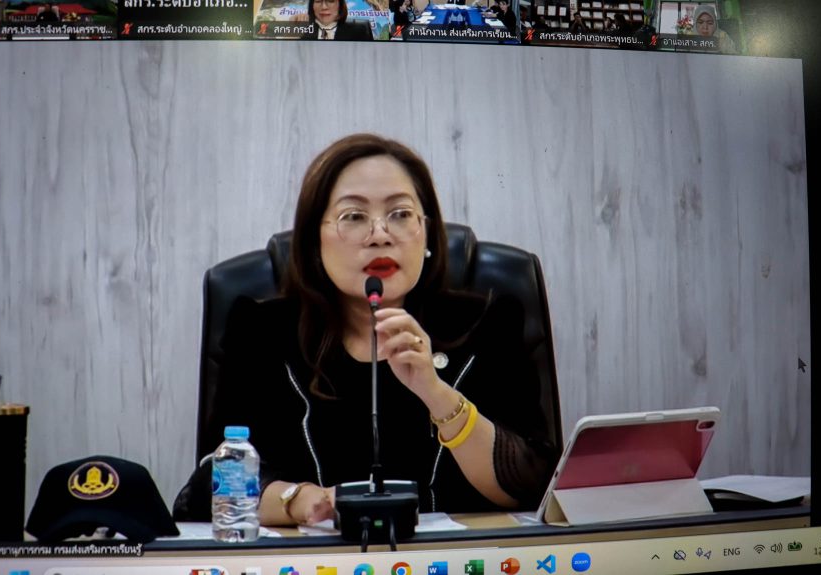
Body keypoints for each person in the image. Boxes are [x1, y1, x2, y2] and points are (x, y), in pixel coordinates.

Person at [173, 134, 558, 525]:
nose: (380, 235)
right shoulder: (262, 332)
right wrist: (299, 500)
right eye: (354, 216)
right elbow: (210, 483)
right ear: (313, 240)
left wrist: (436, 393)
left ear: (426, 231)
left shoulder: (488, 322)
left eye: (401, 214)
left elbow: (536, 484)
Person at [302, 0, 374, 40]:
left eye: (330, 1)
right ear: (312, 6)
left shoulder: (359, 31)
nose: (324, 7)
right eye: (318, 1)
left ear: (340, 5)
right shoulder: (301, 29)